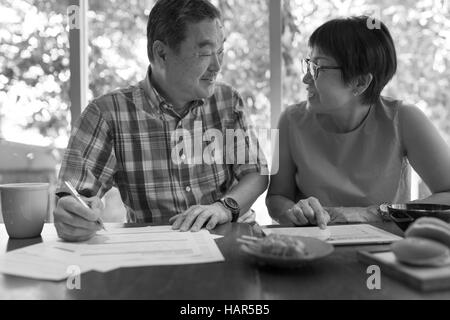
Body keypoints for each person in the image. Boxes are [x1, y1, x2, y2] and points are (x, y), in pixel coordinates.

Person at [54, 0, 268, 241]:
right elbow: (73, 194)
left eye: (220, 52)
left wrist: (224, 208)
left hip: (229, 242)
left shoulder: (228, 101)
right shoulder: (107, 113)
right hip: (155, 252)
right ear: (162, 53)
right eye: (206, 53)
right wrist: (72, 213)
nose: (217, 66)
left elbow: (257, 173)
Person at [266, 16, 450, 228]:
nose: (306, 79)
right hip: (314, 246)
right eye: (309, 64)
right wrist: (294, 212)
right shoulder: (291, 120)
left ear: (360, 82)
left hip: (384, 250)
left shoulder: (404, 118)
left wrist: (373, 213)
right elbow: (276, 198)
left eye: (318, 68)